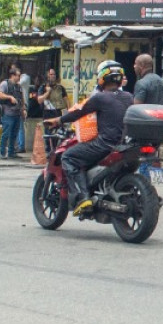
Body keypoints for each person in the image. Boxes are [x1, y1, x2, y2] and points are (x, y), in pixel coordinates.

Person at [45, 60, 135, 216]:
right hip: (125, 144)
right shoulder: (128, 97)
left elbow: (79, 112)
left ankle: (83, 197)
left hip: (105, 144)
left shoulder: (100, 97)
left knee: (69, 157)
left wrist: (58, 120)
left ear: (102, 78)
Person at [0, 65, 26, 159]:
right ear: (12, 75)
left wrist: (23, 109)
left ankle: (11, 152)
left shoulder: (18, 86)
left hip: (17, 113)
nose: (19, 77)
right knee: (6, 134)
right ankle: (2, 152)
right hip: (8, 113)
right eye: (18, 75)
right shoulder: (5, 84)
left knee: (14, 134)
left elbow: (22, 98)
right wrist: (9, 97)